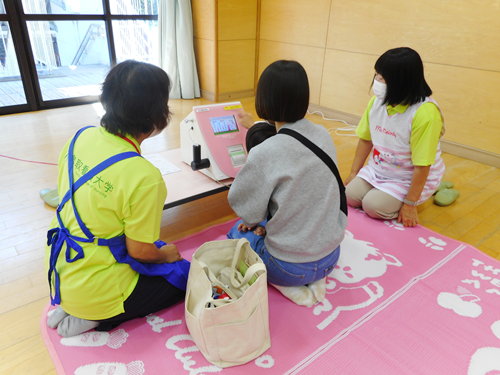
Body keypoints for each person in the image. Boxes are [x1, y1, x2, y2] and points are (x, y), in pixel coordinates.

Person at [44, 60, 189, 337]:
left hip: (62, 266)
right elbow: (140, 252)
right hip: (99, 285)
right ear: (158, 116)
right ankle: (96, 317)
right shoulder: (145, 176)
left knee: (144, 244)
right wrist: (167, 254)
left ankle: (72, 303)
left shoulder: (80, 137)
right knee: (181, 274)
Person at [227, 60, 347, 307]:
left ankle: (283, 283)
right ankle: (316, 279)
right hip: (330, 256)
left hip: (287, 267)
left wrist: (253, 222)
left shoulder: (264, 152)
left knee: (236, 233)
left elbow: (247, 212)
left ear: (263, 99)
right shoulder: (323, 135)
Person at [344, 47, 446, 227]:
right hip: (380, 168)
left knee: (373, 206)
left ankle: (426, 191)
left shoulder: (426, 114)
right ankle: (383, 192)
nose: (377, 81)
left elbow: (422, 165)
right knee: (349, 195)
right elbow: (366, 139)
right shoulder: (376, 102)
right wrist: (354, 173)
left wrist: (410, 204)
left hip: (407, 176)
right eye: (377, 75)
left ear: (401, 82)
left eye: (382, 78)